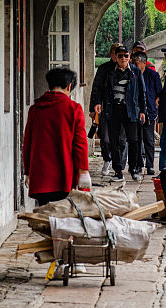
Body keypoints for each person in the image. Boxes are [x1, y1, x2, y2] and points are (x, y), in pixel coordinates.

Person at [23, 67, 89, 205]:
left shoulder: (35, 109)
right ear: (69, 86)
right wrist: (83, 171)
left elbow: (27, 142)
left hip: (40, 176)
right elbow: (80, 143)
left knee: (44, 216)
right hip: (64, 175)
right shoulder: (73, 109)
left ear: (49, 85)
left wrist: (28, 171)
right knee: (62, 218)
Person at [99, 45, 145, 180]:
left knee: (134, 140)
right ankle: (118, 171)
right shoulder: (110, 72)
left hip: (130, 109)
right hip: (114, 109)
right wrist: (97, 104)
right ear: (116, 58)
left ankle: (133, 168)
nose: (123, 58)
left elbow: (142, 93)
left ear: (130, 57)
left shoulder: (135, 72)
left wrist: (142, 110)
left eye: (126, 56)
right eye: (120, 56)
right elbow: (102, 90)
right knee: (114, 141)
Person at [89, 42, 122, 176]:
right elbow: (96, 88)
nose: (118, 56)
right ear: (111, 54)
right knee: (106, 138)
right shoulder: (104, 68)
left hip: (120, 108)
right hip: (105, 107)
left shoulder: (126, 69)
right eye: (115, 53)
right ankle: (107, 159)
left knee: (121, 139)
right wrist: (92, 107)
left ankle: (119, 164)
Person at [133, 50, 162, 174]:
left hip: (149, 111)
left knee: (149, 140)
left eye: (137, 62)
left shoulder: (153, 75)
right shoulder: (132, 74)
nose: (135, 65)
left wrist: (155, 103)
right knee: (136, 139)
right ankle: (138, 165)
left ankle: (150, 165)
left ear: (144, 63)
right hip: (135, 111)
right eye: (134, 62)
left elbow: (159, 93)